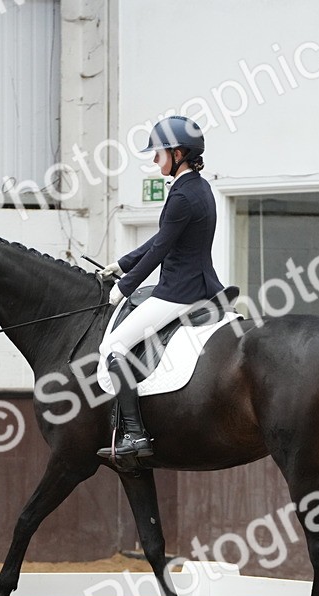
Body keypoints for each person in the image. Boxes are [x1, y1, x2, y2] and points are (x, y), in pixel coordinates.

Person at [96, 115, 225, 461]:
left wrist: (124, 287)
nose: (155, 159)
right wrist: (122, 263)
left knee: (115, 346)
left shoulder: (182, 197)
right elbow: (162, 238)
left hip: (179, 292)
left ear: (179, 152)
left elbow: (160, 249)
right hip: (201, 284)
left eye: (159, 153)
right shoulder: (199, 187)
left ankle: (135, 435)